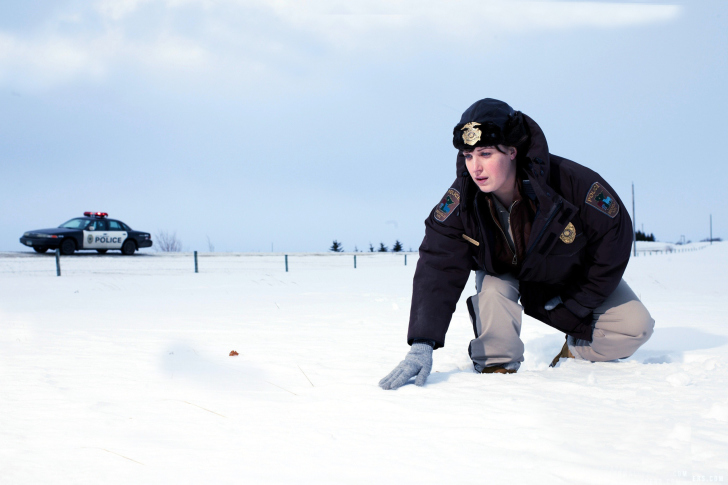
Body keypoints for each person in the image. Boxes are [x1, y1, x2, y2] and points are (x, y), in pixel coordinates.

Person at [379, 98, 654, 390]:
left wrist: (575, 305)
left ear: (512, 151)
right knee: (494, 294)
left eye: (485, 153)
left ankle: (574, 354)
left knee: (634, 328)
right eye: (468, 156)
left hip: (570, 276)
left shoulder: (571, 183)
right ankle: (497, 375)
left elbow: (613, 240)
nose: (476, 167)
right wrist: (423, 342)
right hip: (503, 274)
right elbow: (438, 262)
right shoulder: (461, 200)